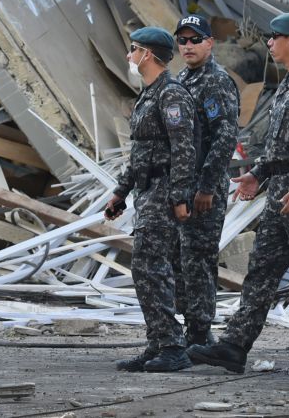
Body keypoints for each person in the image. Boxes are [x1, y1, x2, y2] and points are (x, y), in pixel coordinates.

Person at [187, 12, 289, 377]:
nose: (269, 43)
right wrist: (258, 174)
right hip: (281, 193)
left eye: (274, 36)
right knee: (262, 270)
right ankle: (235, 346)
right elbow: (283, 147)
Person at [106, 27, 196, 373]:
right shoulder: (149, 96)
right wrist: (120, 191)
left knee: (150, 268)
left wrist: (179, 196)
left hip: (163, 192)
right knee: (148, 269)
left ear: (148, 54)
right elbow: (139, 154)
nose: (129, 56)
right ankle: (159, 343)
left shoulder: (171, 95)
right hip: (147, 192)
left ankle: (172, 346)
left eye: (134, 49)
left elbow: (183, 150)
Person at [172, 14, 240, 347]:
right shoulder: (183, 79)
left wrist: (207, 187)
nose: (188, 46)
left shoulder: (215, 81)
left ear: (210, 43)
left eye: (195, 39)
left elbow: (225, 137)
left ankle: (200, 331)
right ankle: (188, 327)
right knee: (181, 259)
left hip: (203, 188)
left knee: (198, 258)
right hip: (182, 187)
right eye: (182, 40)